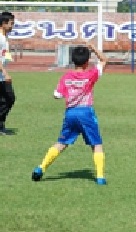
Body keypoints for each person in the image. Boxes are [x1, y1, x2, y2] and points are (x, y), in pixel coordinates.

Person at [31, 44, 108, 185]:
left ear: (73, 60)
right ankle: (100, 177)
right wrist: (93, 48)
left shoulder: (66, 77)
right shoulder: (91, 74)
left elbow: (56, 95)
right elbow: (104, 60)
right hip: (86, 112)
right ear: (87, 61)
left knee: (61, 143)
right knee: (96, 144)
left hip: (71, 113)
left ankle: (40, 168)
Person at [0, 11, 16, 135]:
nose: (12, 26)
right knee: (9, 98)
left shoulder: (5, 37)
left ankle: (1, 126)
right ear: (4, 23)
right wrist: (5, 72)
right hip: (1, 75)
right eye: (11, 23)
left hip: (2, 75)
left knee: (7, 99)